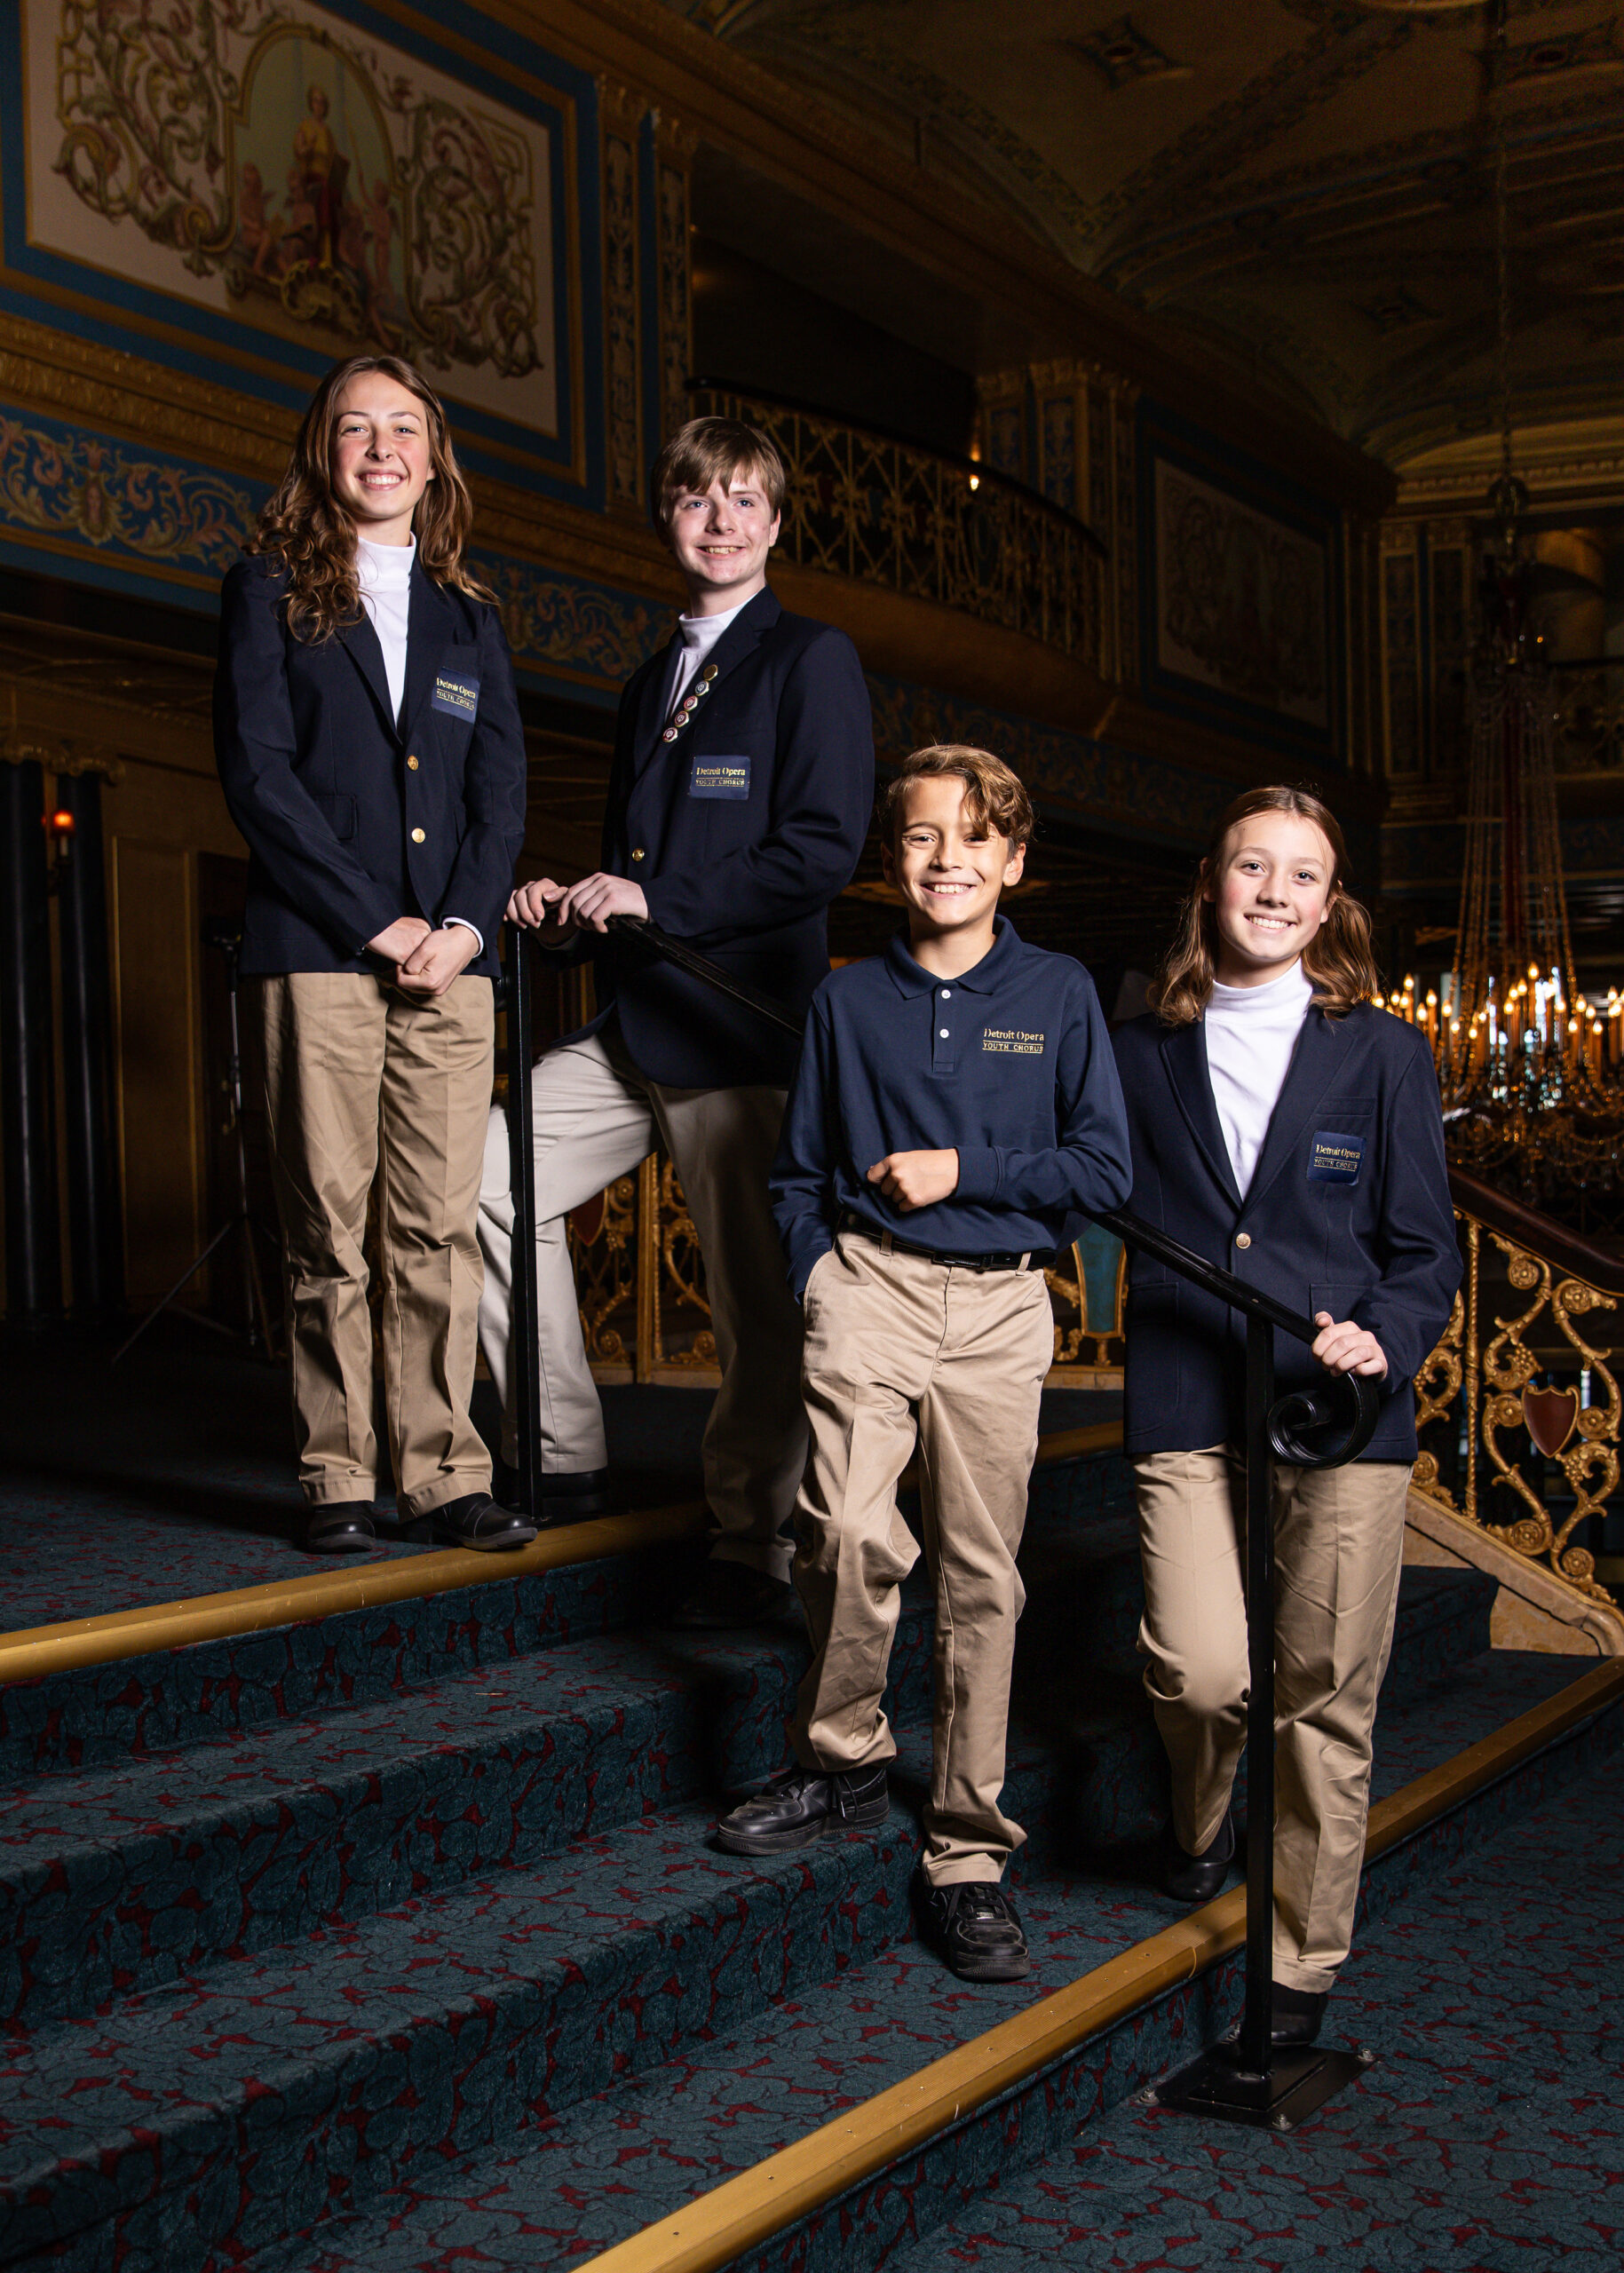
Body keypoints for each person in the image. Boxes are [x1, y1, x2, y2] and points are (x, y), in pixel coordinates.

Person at [716, 745, 1132, 1983]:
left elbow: (1103, 1173)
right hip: (871, 1287)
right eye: (918, 837)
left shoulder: (1059, 994)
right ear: (889, 857)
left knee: (979, 1578)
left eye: (972, 838)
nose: (945, 859)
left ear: (1012, 861)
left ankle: (965, 1849)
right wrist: (818, 1274)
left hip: (1002, 1309)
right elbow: (795, 1171)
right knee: (843, 1528)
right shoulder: (848, 1001)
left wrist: (970, 1173)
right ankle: (840, 1758)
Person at [477, 416, 874, 1628]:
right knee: (487, 1180)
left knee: (755, 1306)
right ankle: (562, 1445)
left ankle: (752, 1537)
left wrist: (656, 898)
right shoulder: (650, 678)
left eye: (746, 502)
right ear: (669, 514)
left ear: (772, 523)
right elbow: (629, 864)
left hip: (743, 1031)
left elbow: (820, 850)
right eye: (699, 498)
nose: (721, 520)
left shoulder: (811, 659)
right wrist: (566, 913)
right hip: (636, 1017)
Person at [1111, 784, 1460, 2047]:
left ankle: (1299, 1961)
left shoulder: (1381, 1052)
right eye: (1249, 867)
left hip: (1339, 1404)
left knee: (1322, 1696)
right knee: (1202, 1674)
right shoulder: (1136, 1044)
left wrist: (1391, 1330)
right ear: (1210, 884)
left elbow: (1425, 1250)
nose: (1271, 892)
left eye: (1299, 875)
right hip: (1188, 1389)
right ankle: (1201, 1819)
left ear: (1329, 903)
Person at [215, 353, 529, 1555]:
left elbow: (499, 795)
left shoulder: (471, 619)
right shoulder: (264, 591)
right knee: (327, 1227)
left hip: (454, 965)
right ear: (323, 452)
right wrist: (374, 920)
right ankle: (337, 1474)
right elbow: (259, 776)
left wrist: (460, 924)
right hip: (315, 953)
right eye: (357, 428)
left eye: (404, 427)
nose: (382, 446)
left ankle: (446, 1472)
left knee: (436, 1230)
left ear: (434, 456)